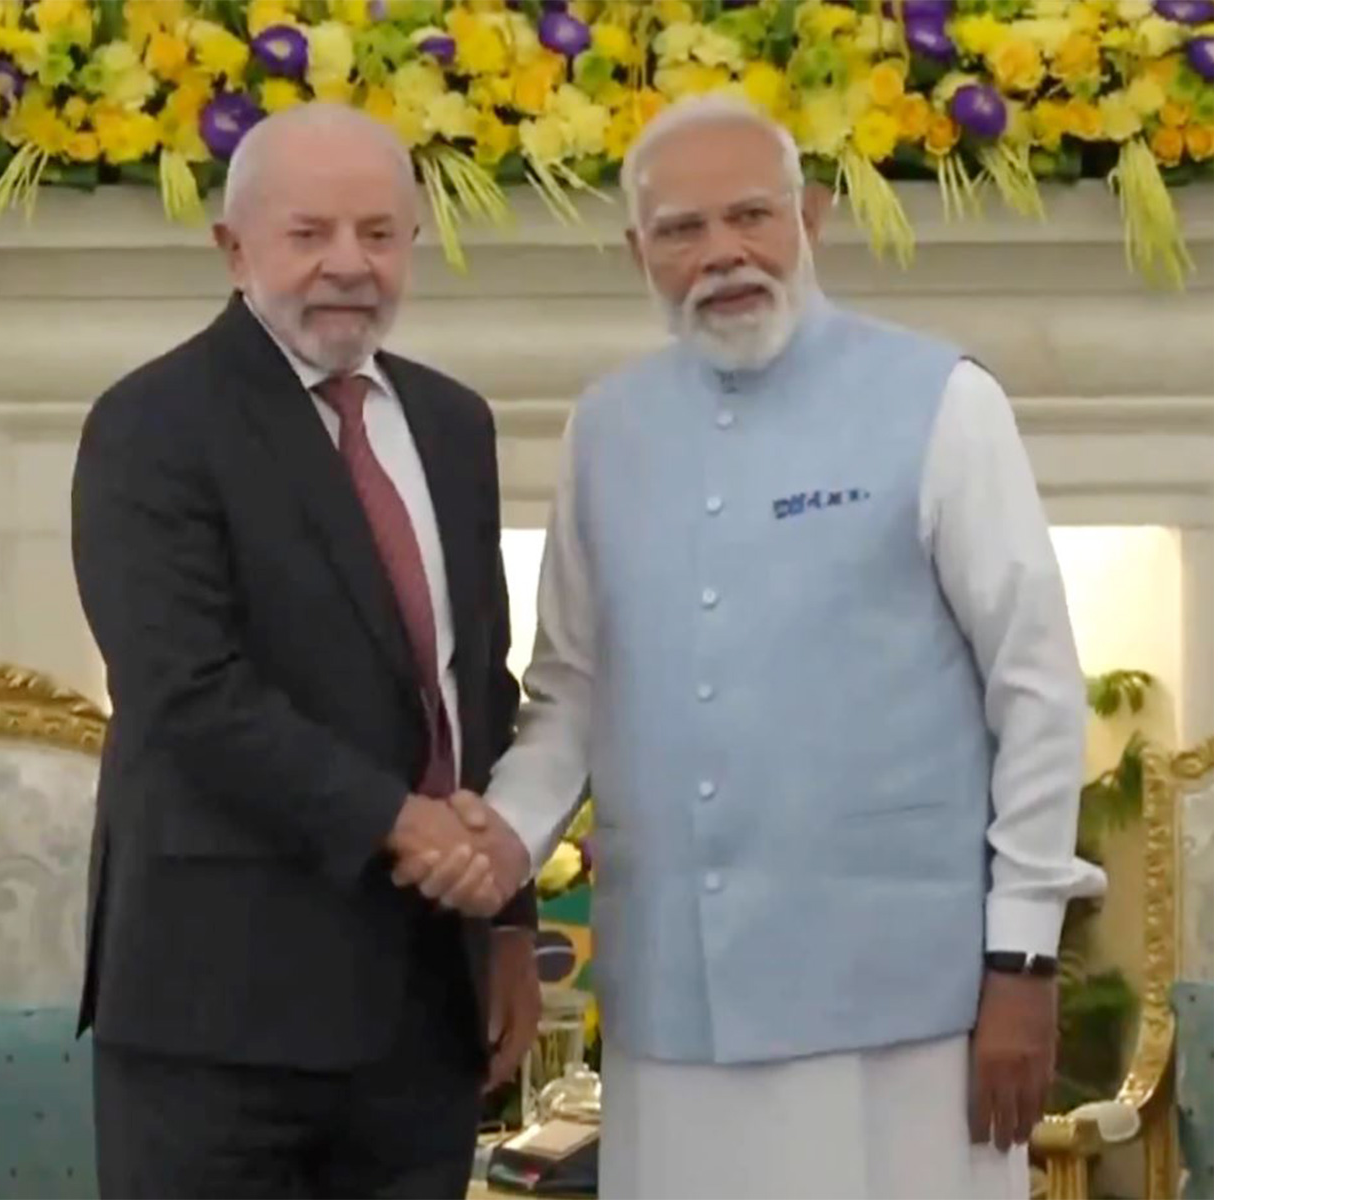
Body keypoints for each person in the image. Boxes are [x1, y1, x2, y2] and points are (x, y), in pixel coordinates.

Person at [423, 94, 1106, 1199]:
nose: (723, 253)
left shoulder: (940, 399)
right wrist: (498, 841)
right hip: (674, 1004)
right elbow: (571, 693)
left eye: (751, 215)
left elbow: (1033, 690)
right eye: (683, 230)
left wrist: (1021, 957)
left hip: (907, 1004)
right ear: (636, 250)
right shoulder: (606, 427)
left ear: (812, 219)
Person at [71, 104, 540, 1199]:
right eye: (309, 233)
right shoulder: (151, 423)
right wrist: (401, 822)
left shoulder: (453, 424)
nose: (348, 265)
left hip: (422, 1015)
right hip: (219, 1016)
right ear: (234, 250)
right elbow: (186, 692)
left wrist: (506, 914)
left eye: (379, 235)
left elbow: (474, 689)